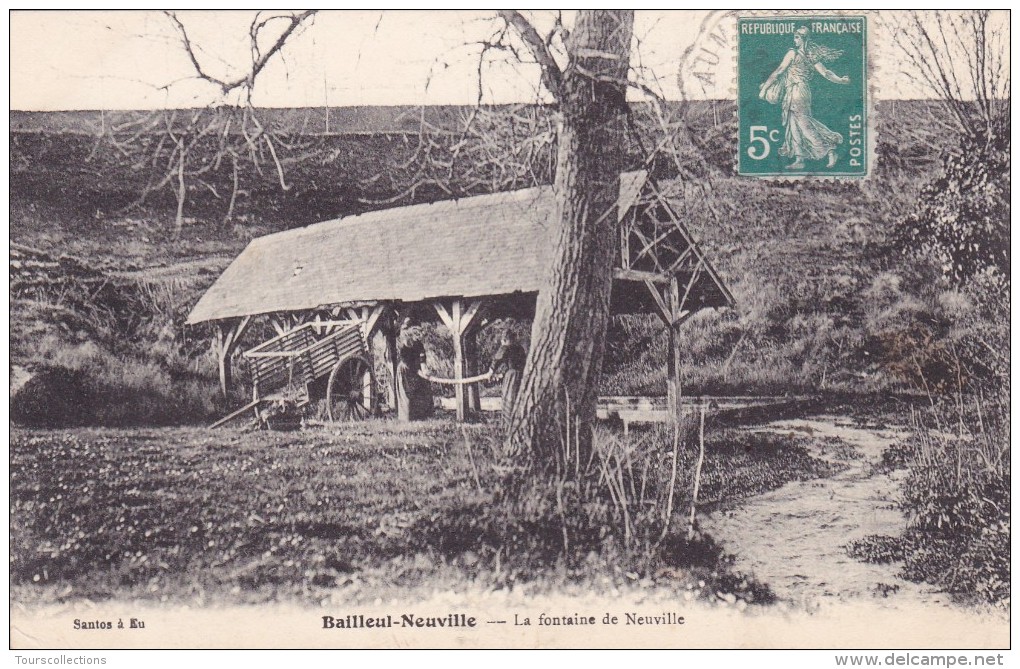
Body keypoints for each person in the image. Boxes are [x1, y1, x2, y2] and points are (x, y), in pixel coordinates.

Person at [759, 26, 851, 170]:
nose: (794, 40)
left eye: (797, 37)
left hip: (797, 91)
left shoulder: (792, 53)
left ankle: (829, 150)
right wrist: (840, 80)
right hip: (797, 91)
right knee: (793, 123)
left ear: (803, 39)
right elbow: (826, 73)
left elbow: (779, 71)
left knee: (803, 123)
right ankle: (799, 159)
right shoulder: (811, 56)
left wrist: (764, 89)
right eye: (794, 37)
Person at [488, 331, 527, 417]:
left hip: (512, 376)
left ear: (505, 339)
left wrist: (490, 372)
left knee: (509, 395)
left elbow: (497, 360)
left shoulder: (505, 347)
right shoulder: (520, 348)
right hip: (521, 375)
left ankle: (509, 418)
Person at [395, 340, 434, 421]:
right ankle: (407, 417)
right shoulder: (404, 345)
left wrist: (424, 370)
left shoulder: (419, 344)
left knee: (424, 387)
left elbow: (422, 358)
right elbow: (405, 360)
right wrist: (416, 370)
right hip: (406, 370)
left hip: (417, 370)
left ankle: (423, 415)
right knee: (407, 393)